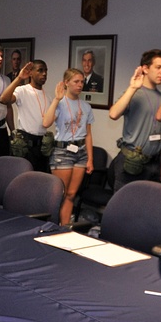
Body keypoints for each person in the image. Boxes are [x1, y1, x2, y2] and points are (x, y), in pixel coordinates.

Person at [108, 49, 161, 190]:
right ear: (145, 69)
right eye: (159, 67)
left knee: (147, 209)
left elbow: (160, 132)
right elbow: (113, 114)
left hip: (154, 163)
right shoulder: (134, 93)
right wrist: (132, 87)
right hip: (132, 162)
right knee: (124, 207)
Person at [42, 68, 95, 225]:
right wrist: (56, 100)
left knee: (72, 194)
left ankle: (64, 228)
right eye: (76, 82)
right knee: (61, 194)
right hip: (62, 152)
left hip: (81, 152)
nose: (80, 85)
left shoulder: (86, 107)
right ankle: (53, 226)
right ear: (66, 83)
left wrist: (90, 159)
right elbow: (46, 123)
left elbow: (88, 134)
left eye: (82, 82)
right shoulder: (59, 102)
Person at [0, 60, 50, 172]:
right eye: (40, 70)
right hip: (26, 145)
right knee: (24, 180)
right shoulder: (22, 90)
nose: (44, 74)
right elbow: (4, 99)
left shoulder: (48, 96)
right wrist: (19, 79)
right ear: (31, 73)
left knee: (39, 180)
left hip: (42, 146)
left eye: (46, 70)